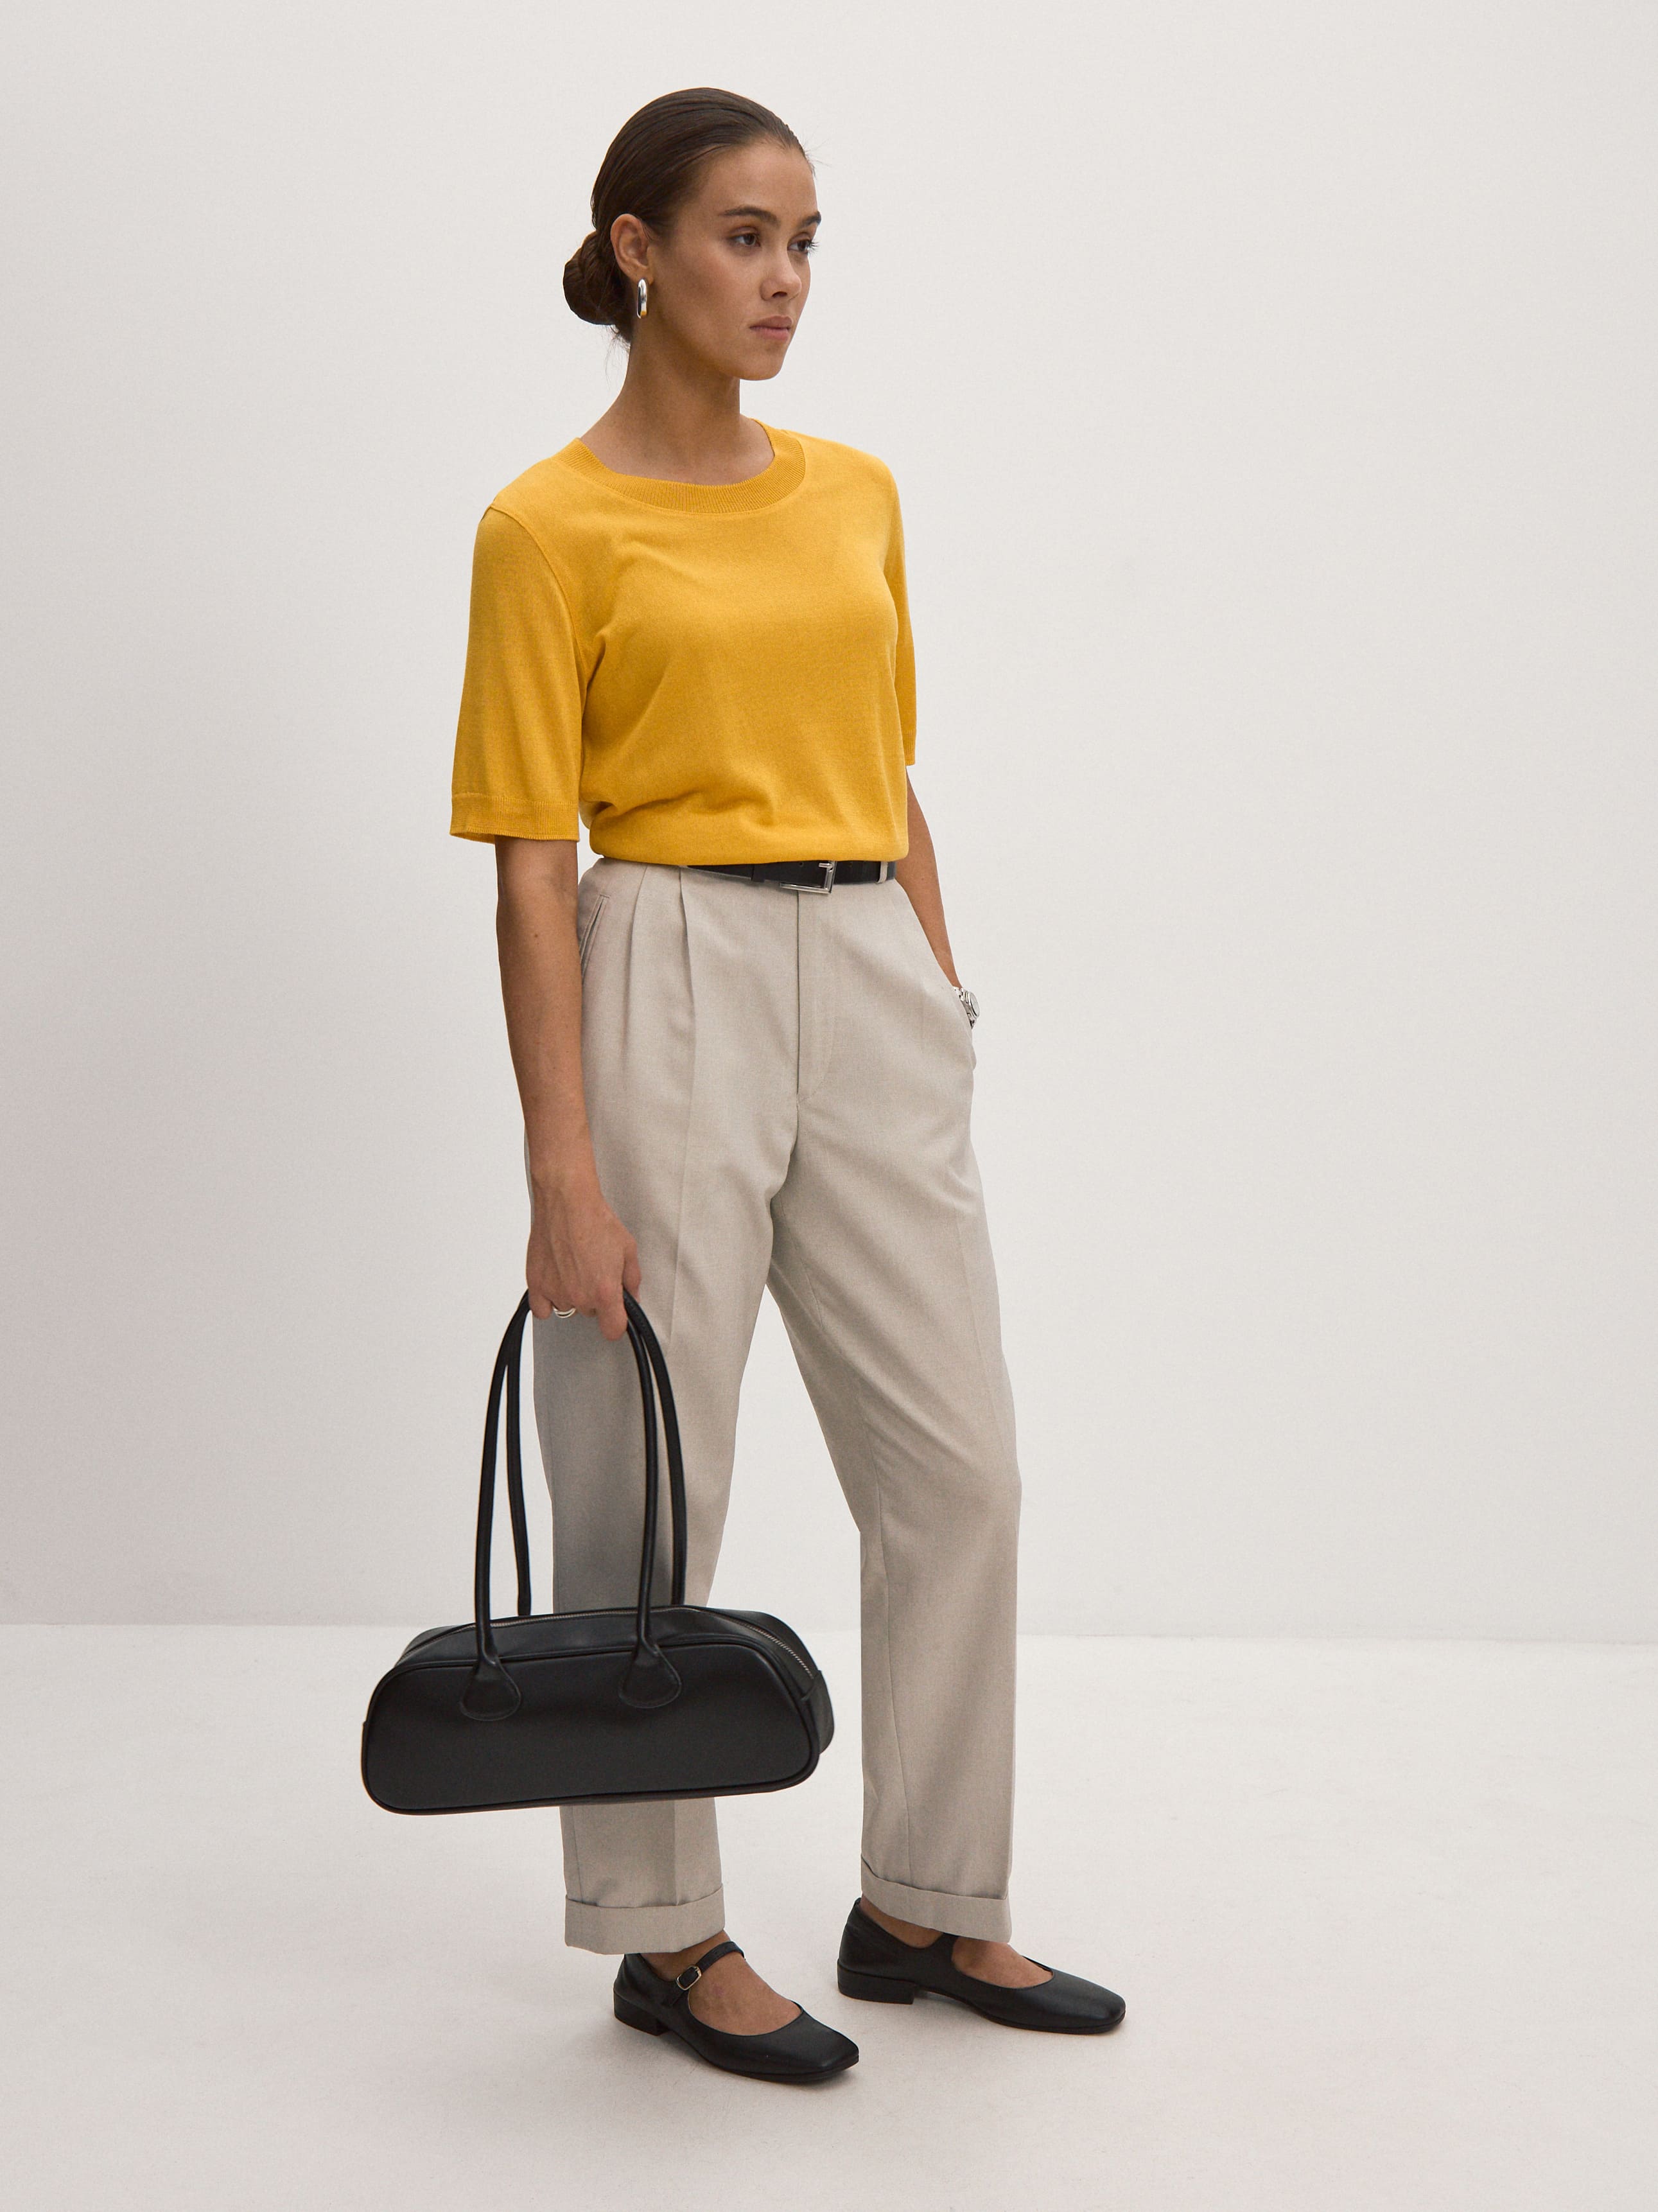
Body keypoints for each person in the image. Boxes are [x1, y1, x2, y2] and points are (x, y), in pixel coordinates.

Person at [449, 85, 1124, 2083]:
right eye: (746, 236)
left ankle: (929, 1892)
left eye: (808, 240)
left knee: (960, 1469)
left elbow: (888, 767)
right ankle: (665, 1933)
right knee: (650, 1472)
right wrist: (561, 1168)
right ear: (638, 250)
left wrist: (938, 994)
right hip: (668, 960)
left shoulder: (854, 493)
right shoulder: (545, 526)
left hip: (869, 963)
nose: (787, 280)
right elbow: (531, 865)